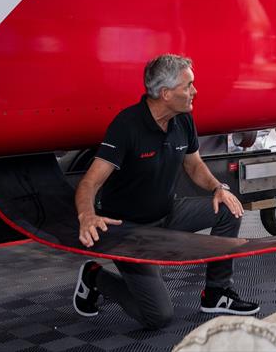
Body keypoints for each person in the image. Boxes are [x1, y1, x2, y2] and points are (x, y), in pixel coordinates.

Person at [72, 55, 259, 329]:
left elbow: (193, 165)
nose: (195, 91)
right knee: (158, 316)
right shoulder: (127, 125)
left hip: (168, 212)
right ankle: (94, 276)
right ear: (166, 93)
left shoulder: (182, 119)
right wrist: (87, 216)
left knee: (229, 208)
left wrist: (219, 188)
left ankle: (216, 293)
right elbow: (89, 183)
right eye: (189, 86)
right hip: (130, 229)